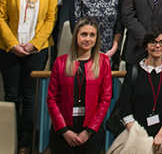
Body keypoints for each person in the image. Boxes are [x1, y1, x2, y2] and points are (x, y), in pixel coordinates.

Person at [0, 0, 58, 148]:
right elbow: (1, 18)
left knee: (30, 97)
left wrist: (34, 44)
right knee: (11, 96)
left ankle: (25, 144)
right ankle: (9, 141)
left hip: (36, 50)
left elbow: (50, 19)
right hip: (10, 50)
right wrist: (13, 44)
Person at [45, 19, 112, 154]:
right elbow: (52, 99)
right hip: (64, 132)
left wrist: (89, 131)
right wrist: (64, 131)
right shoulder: (60, 62)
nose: (88, 39)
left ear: (96, 39)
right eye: (84, 34)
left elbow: (105, 99)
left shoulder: (104, 62)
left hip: (91, 134)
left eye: (92, 35)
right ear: (76, 36)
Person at [108, 29, 162, 152]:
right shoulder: (134, 71)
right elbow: (125, 104)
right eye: (153, 42)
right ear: (146, 46)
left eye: (161, 42)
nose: (157, 46)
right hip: (135, 137)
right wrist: (138, 135)